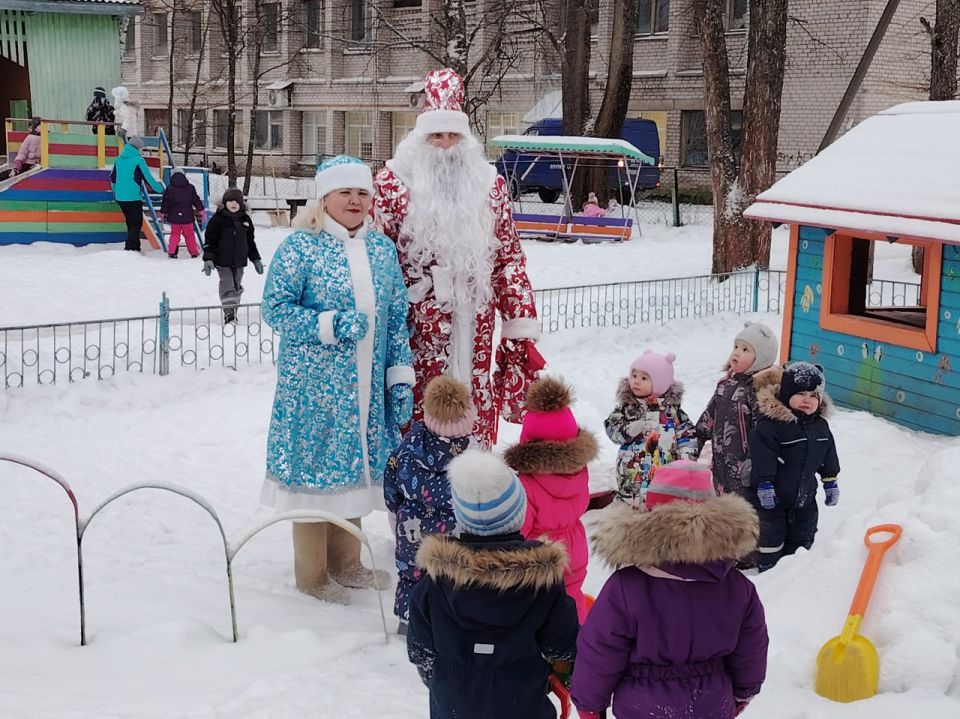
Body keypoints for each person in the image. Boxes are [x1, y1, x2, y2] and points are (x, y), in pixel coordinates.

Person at [261, 155, 415, 604]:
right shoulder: (301, 246)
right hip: (313, 389)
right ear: (324, 197)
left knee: (355, 472)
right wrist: (329, 325)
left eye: (362, 192)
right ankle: (312, 574)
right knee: (315, 475)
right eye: (345, 191)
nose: (354, 200)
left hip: (366, 391)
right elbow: (276, 309)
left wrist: (399, 379)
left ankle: (347, 564)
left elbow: (396, 320)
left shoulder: (382, 250)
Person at [373, 68, 542, 448]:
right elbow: (377, 260)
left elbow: (509, 259)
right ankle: (415, 493)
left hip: (475, 320)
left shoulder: (489, 185)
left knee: (472, 408)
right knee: (421, 409)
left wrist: (519, 322)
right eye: (436, 135)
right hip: (417, 327)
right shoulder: (392, 183)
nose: (446, 144)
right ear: (421, 137)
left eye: (453, 135)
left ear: (466, 139)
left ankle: (473, 489)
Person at [570, 460, 768, 719]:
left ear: (651, 513)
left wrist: (589, 704)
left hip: (642, 706)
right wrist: (744, 691)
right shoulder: (738, 588)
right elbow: (751, 648)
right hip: (711, 702)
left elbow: (600, 650)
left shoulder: (626, 587)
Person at [407, 448, 579, 719]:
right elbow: (563, 646)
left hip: (454, 707)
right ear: (519, 514)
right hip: (523, 705)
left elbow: (421, 652)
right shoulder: (543, 584)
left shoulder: (433, 585)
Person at [383, 375, 476, 634]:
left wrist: (396, 512)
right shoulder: (473, 455)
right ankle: (450, 627)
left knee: (412, 576)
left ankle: (408, 623)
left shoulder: (406, 448)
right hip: (456, 532)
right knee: (453, 579)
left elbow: (391, 483)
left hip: (411, 528)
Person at [503, 376, 598, 622]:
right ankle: (576, 642)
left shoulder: (526, 484)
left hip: (542, 556)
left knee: (539, 610)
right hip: (575, 548)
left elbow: (519, 531)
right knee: (571, 597)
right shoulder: (579, 472)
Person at [748, 362, 840, 572]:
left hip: (805, 499)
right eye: (800, 394)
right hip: (772, 499)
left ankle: (794, 574)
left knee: (803, 538)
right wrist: (764, 483)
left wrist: (830, 480)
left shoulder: (820, 427)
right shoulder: (771, 426)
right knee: (770, 538)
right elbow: (763, 457)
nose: (807, 400)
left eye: (813, 395)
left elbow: (828, 453)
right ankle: (768, 571)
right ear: (787, 393)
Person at [604, 350, 698, 507]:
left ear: (660, 382)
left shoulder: (672, 413)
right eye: (634, 376)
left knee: (660, 512)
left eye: (644, 378)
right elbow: (612, 429)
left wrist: (685, 463)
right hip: (631, 479)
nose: (636, 382)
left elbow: (687, 437)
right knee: (629, 514)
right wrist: (628, 430)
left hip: (664, 479)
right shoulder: (627, 408)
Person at [696, 322, 779, 497]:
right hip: (720, 468)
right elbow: (708, 419)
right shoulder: (725, 385)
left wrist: (756, 464)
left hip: (747, 471)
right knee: (723, 510)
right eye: (736, 347)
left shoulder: (761, 391)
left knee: (745, 512)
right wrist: (692, 441)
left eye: (746, 350)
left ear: (761, 358)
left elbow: (765, 434)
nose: (736, 353)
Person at [202, 189, 261, 323]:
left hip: (239, 261)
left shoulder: (246, 220)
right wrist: (208, 259)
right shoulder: (218, 220)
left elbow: (250, 242)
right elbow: (210, 240)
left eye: (236, 202)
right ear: (224, 203)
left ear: (241, 204)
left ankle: (233, 310)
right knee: (227, 284)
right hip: (222, 261)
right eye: (230, 201)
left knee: (236, 286)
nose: (233, 204)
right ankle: (229, 313)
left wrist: (256, 259)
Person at [110, 135, 163, 252]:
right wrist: (160, 189)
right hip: (133, 196)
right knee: (135, 223)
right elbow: (148, 177)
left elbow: (113, 178)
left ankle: (134, 246)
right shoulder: (139, 160)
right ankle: (131, 248)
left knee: (130, 222)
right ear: (137, 148)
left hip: (120, 197)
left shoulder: (118, 159)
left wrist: (115, 192)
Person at [160, 169, 205, 258]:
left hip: (174, 217)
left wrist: (163, 212)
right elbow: (195, 200)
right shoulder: (190, 188)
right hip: (187, 217)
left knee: (174, 234)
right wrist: (201, 210)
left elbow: (165, 202)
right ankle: (194, 252)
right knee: (189, 235)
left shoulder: (169, 188)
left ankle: (172, 251)